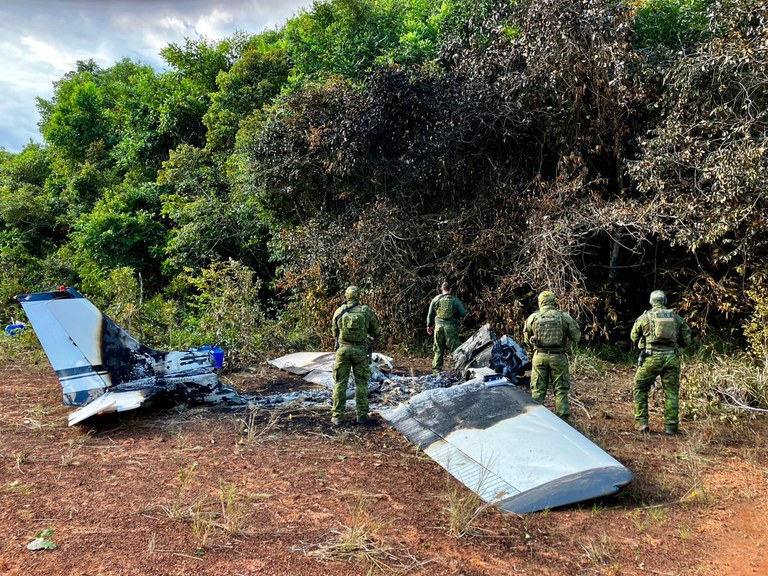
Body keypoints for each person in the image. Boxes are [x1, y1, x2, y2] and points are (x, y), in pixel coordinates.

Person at [630, 290, 692, 435]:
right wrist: (678, 350)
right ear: (664, 301)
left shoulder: (644, 318)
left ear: (652, 302)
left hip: (651, 358)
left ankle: (642, 423)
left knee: (640, 388)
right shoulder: (676, 318)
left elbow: (633, 336)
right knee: (671, 393)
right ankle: (671, 427)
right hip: (671, 359)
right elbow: (687, 340)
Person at [523, 291, 581, 420]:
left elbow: (527, 341)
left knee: (537, 391)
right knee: (560, 390)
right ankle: (563, 422)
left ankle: (537, 421)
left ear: (540, 302)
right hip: (558, 357)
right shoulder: (564, 317)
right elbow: (576, 337)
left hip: (539, 357)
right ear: (554, 302)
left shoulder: (533, 318)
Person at [331, 285, 382, 426]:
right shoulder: (366, 311)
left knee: (340, 384)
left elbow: (334, 332)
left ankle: (337, 417)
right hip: (360, 352)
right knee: (362, 384)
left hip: (343, 350)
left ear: (346, 296)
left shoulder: (340, 311)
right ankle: (362, 416)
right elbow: (377, 331)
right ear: (358, 296)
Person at [426, 282, 467, 374]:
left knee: (438, 348)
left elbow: (430, 314)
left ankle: (436, 371)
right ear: (450, 290)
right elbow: (463, 313)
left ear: (441, 289)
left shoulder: (436, 299)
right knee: (455, 349)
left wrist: (429, 326)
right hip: (451, 328)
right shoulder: (455, 300)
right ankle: (458, 370)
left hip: (438, 327)